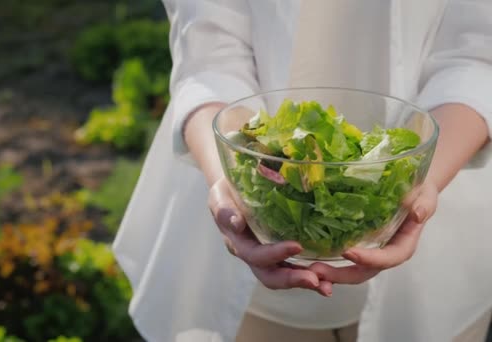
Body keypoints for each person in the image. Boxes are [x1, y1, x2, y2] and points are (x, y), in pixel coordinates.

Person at [113, 1, 492, 341]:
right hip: (246, 244)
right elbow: (210, 56)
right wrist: (236, 179)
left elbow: (476, 54)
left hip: (440, 236)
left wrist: (414, 182)